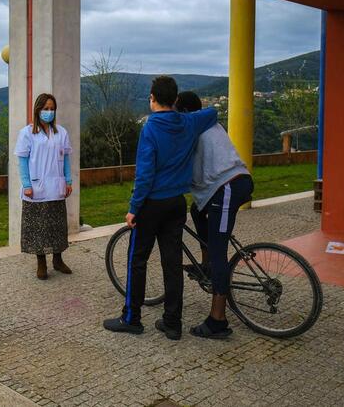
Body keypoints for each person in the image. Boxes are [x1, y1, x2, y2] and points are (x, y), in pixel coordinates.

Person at [103, 76, 217, 340]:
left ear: (152, 99)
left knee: (137, 260)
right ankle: (172, 323)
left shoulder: (150, 128)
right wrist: (187, 114)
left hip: (152, 204)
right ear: (176, 100)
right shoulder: (189, 122)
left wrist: (134, 208)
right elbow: (212, 112)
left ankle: (131, 318)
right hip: (177, 203)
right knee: (173, 263)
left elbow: (144, 174)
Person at [175, 91, 254, 339]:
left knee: (221, 250)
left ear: (186, 113)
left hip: (227, 186)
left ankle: (217, 319)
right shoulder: (209, 124)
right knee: (197, 210)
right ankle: (207, 263)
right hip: (224, 186)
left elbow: (184, 168)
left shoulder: (194, 130)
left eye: (178, 112)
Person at [15, 93, 74, 280]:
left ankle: (58, 260)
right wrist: (26, 184)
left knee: (57, 226)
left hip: (56, 186)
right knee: (38, 227)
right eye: (45, 108)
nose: (49, 112)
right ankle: (41, 263)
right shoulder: (27, 133)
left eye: (52, 109)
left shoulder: (61, 132)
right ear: (38, 110)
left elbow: (65, 159)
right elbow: (22, 161)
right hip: (36, 187)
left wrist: (68, 181)